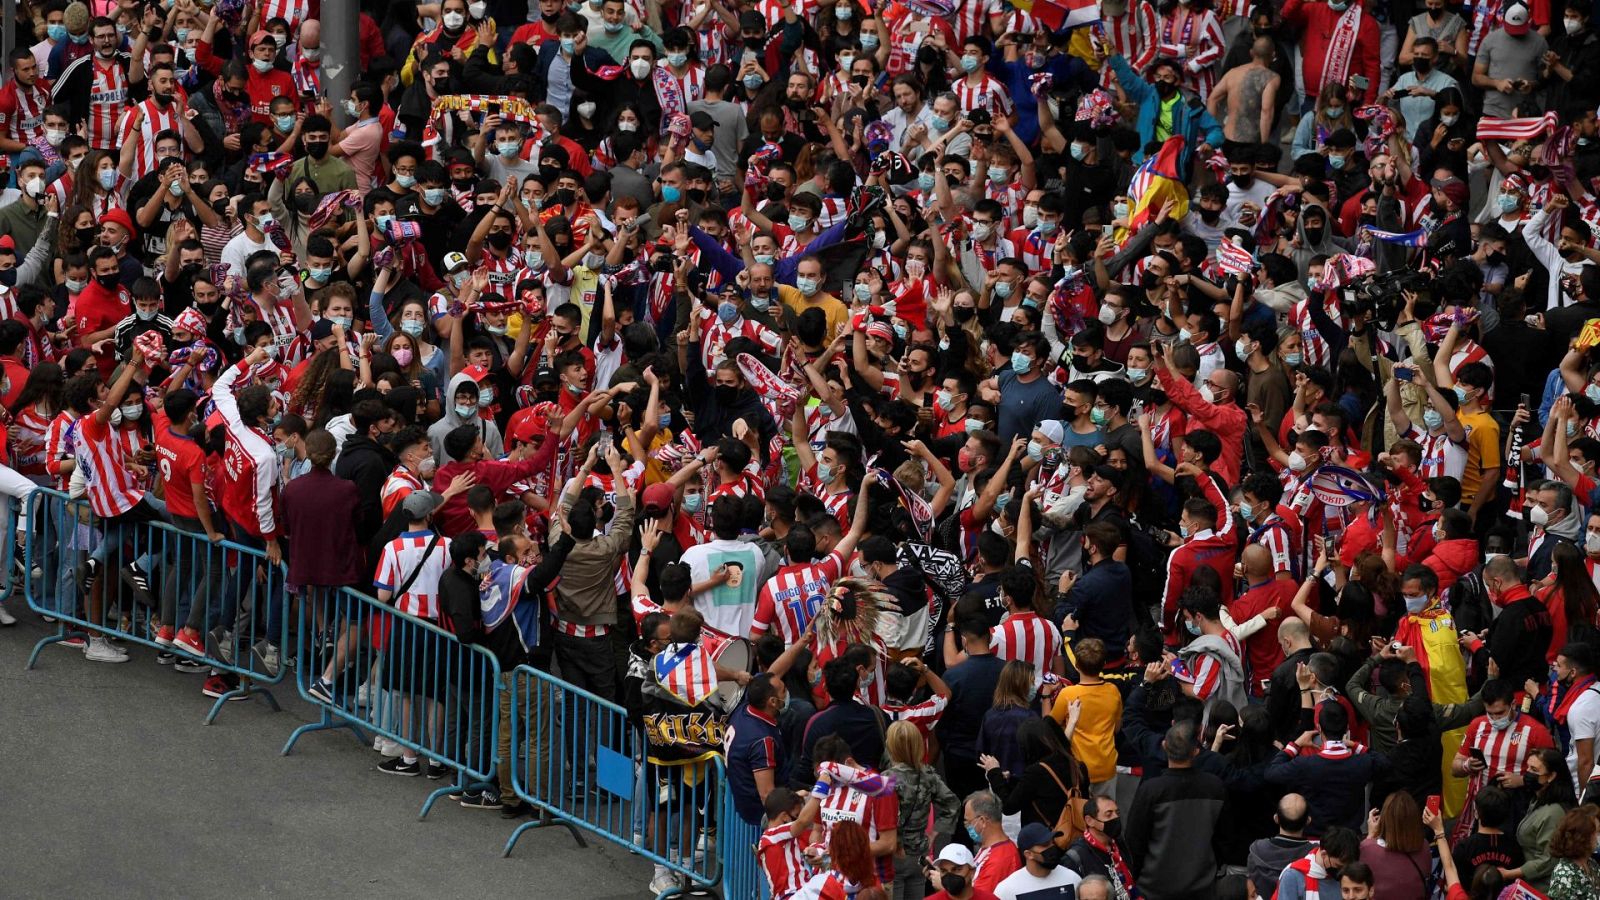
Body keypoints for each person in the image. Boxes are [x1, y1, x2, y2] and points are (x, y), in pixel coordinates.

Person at [1123, 721, 1227, 900]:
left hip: (1154, 887)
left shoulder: (1151, 790)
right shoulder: (1215, 787)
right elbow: (1223, 839)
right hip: (1202, 886)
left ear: (1164, 746)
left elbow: (1134, 842)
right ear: (1195, 751)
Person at [992, 822, 1082, 900]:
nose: (1052, 848)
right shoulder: (1007, 890)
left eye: (1052, 842)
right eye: (1045, 845)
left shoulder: (1072, 878)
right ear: (1028, 854)